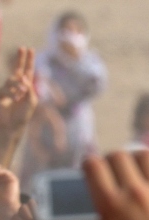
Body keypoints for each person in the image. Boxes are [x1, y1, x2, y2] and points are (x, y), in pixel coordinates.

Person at [30, 11, 106, 172]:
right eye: (66, 30)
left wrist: (76, 60)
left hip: (79, 126)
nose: (70, 36)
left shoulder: (90, 62)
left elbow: (97, 86)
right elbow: (37, 87)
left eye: (76, 31)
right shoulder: (44, 60)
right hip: (46, 127)